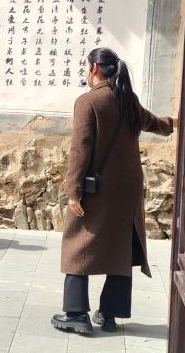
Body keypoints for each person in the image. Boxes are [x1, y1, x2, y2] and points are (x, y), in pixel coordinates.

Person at [52, 47, 175, 335]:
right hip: (128, 189)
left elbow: (80, 149)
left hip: (97, 189)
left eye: (86, 67)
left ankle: (76, 313)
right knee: (121, 248)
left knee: (77, 244)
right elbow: (154, 123)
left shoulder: (88, 102)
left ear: (94, 68)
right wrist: (175, 123)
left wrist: (73, 192)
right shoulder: (127, 99)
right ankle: (109, 315)